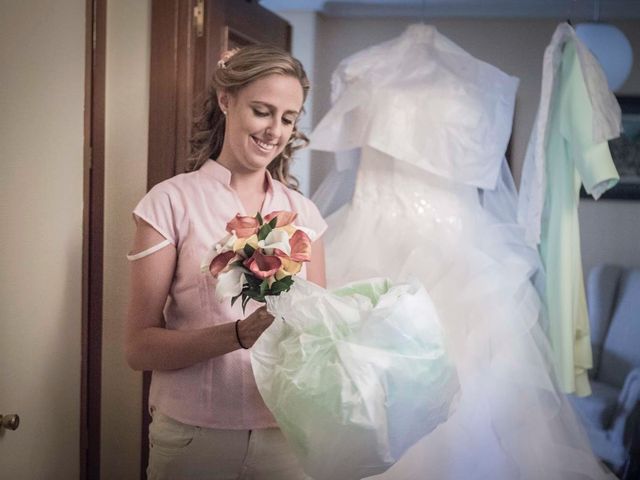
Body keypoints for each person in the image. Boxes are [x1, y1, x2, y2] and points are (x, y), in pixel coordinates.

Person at [125, 45, 326, 480]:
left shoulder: (305, 215)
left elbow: (320, 335)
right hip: (193, 439)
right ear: (226, 100)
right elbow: (138, 348)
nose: (275, 130)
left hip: (286, 437)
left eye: (288, 118)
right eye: (262, 110)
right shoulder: (170, 202)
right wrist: (236, 334)